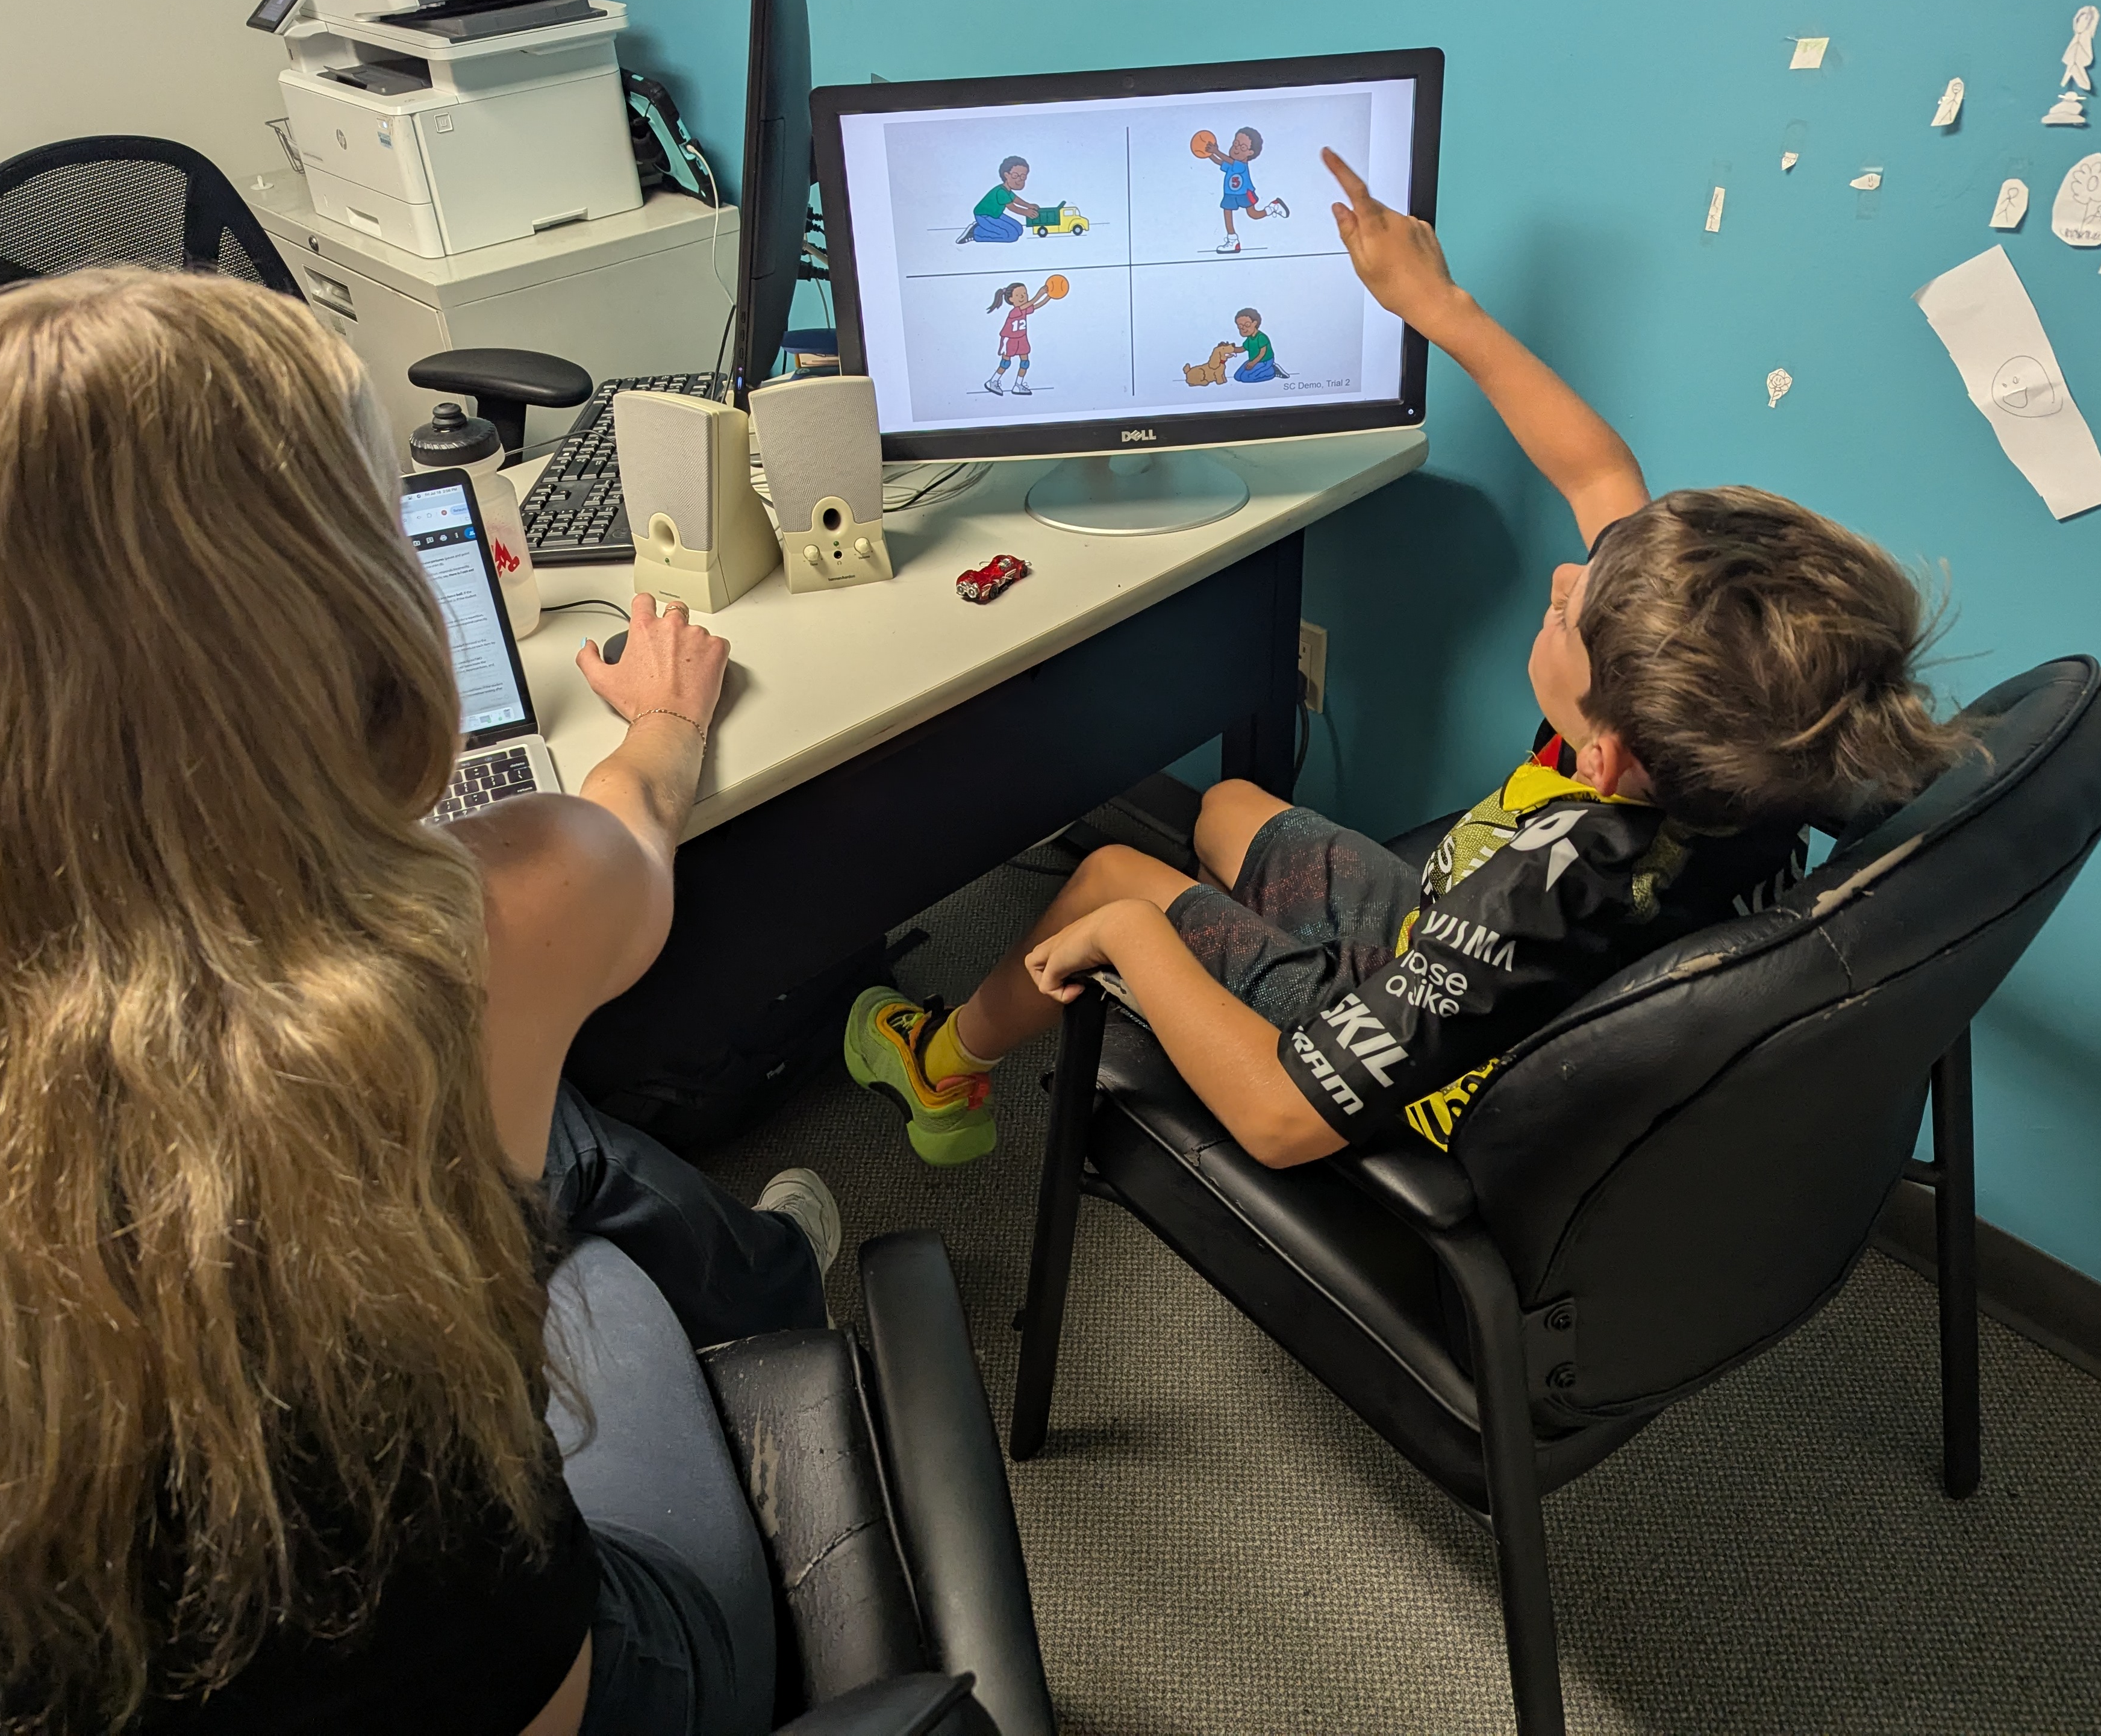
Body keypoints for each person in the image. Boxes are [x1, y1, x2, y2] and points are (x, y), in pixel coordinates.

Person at [0, 269, 831, 1735]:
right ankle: (771, 1284)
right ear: (336, 577)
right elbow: (631, 811)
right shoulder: (500, 910)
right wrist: (670, 712)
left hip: (33, 1678)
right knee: (585, 1227)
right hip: (565, 1699)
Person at [845, 148, 1973, 1172]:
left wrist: (1136, 938)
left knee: (1110, 884)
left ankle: (940, 1066)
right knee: (1225, 809)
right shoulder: (1766, 737)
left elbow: (1285, 1125)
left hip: (1422, 1050)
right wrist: (1437, 306)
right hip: (1440, 938)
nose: (1565, 580)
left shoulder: (1532, 906)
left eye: (1573, 610)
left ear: (1607, 754)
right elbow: (1600, 478)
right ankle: (1195, 933)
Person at [984, 278, 1057, 396]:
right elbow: (1032, 303)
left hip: (1021, 338)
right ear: (1011, 299)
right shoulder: (1015, 312)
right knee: (1006, 363)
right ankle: (993, 381)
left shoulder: (1025, 309)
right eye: (1018, 295)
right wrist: (1039, 294)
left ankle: (1018, 385)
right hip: (1010, 339)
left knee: (1025, 362)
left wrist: (1050, 296)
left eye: (1025, 293)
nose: (1023, 296)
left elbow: (1037, 305)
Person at [958, 154, 1043, 243]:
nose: (1020, 180)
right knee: (1012, 236)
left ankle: (981, 228)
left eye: (1023, 177)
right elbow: (1012, 207)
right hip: (984, 215)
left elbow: (1016, 200)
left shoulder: (1007, 190)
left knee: (1019, 230)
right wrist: (1026, 212)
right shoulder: (1001, 192)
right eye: (1015, 176)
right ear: (1006, 175)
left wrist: (1029, 205)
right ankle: (976, 233)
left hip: (995, 215)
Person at [1228, 307, 1284, 384]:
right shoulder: (1250, 339)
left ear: (1255, 323)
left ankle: (1273, 371)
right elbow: (1242, 349)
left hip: (1265, 361)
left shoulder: (1261, 337)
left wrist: (1253, 363)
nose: (1243, 328)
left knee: (1245, 378)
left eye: (1247, 325)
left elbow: (1262, 353)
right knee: (1237, 377)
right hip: (1254, 361)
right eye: (1240, 326)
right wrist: (1229, 349)